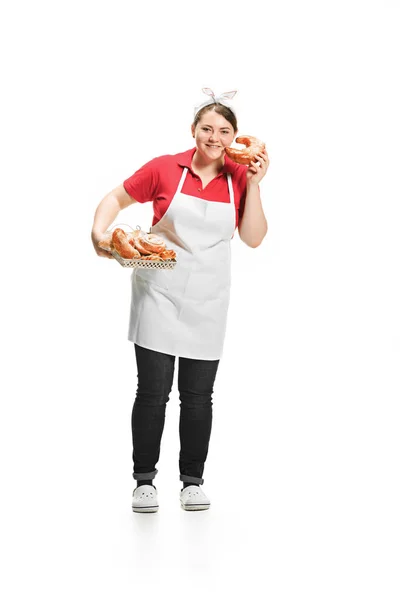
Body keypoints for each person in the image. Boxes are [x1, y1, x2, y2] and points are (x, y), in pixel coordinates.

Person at [91, 88, 269, 513]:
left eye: (224, 131)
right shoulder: (164, 168)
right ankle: (144, 482)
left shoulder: (239, 178)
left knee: (198, 396)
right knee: (152, 392)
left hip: (210, 299)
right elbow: (116, 197)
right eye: (207, 128)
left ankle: (192, 480)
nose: (214, 137)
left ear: (235, 137)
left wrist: (258, 186)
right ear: (193, 131)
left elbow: (253, 238)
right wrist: (99, 233)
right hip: (159, 293)